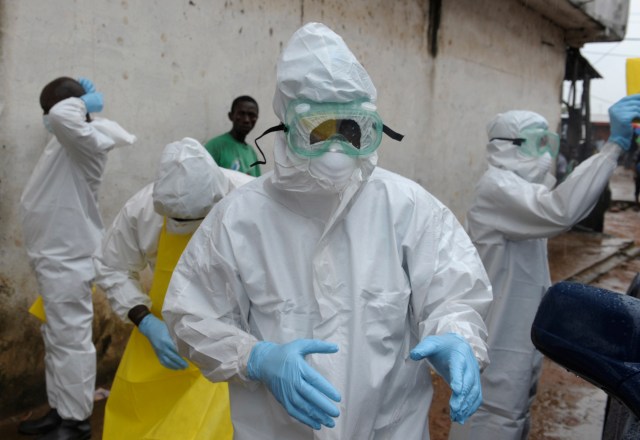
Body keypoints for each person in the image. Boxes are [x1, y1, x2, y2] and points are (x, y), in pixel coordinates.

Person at [163, 22, 492, 440]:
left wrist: (456, 336)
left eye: (350, 128)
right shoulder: (239, 217)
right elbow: (190, 313)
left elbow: (454, 292)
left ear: (370, 128)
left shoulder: (407, 206)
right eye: (318, 129)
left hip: (391, 428)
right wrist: (255, 357)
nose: (336, 147)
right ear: (288, 125)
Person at [449, 96, 640, 440]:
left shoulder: (520, 191)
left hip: (518, 333)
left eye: (548, 142)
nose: (546, 154)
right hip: (500, 337)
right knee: (493, 418)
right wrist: (613, 147)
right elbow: (561, 211)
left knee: (512, 416)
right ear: (508, 146)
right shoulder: (498, 188)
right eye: (539, 143)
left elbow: (562, 203)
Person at [94, 138, 253, 439]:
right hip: (166, 334)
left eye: (196, 219)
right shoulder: (141, 210)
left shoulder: (249, 198)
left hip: (234, 335)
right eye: (178, 220)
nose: (186, 227)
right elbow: (111, 266)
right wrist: (145, 321)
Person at [19, 77, 136, 440]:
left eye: (49, 109)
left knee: (71, 340)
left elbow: (61, 114)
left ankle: (77, 421)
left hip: (68, 258)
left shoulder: (87, 139)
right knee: (57, 338)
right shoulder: (68, 139)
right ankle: (60, 410)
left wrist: (83, 101)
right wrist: (76, 104)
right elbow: (60, 115)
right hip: (54, 258)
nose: (47, 118)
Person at [204, 95, 261, 177]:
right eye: (241, 113)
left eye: (251, 115)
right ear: (231, 116)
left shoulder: (252, 153)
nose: (246, 120)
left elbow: (256, 185)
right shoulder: (215, 146)